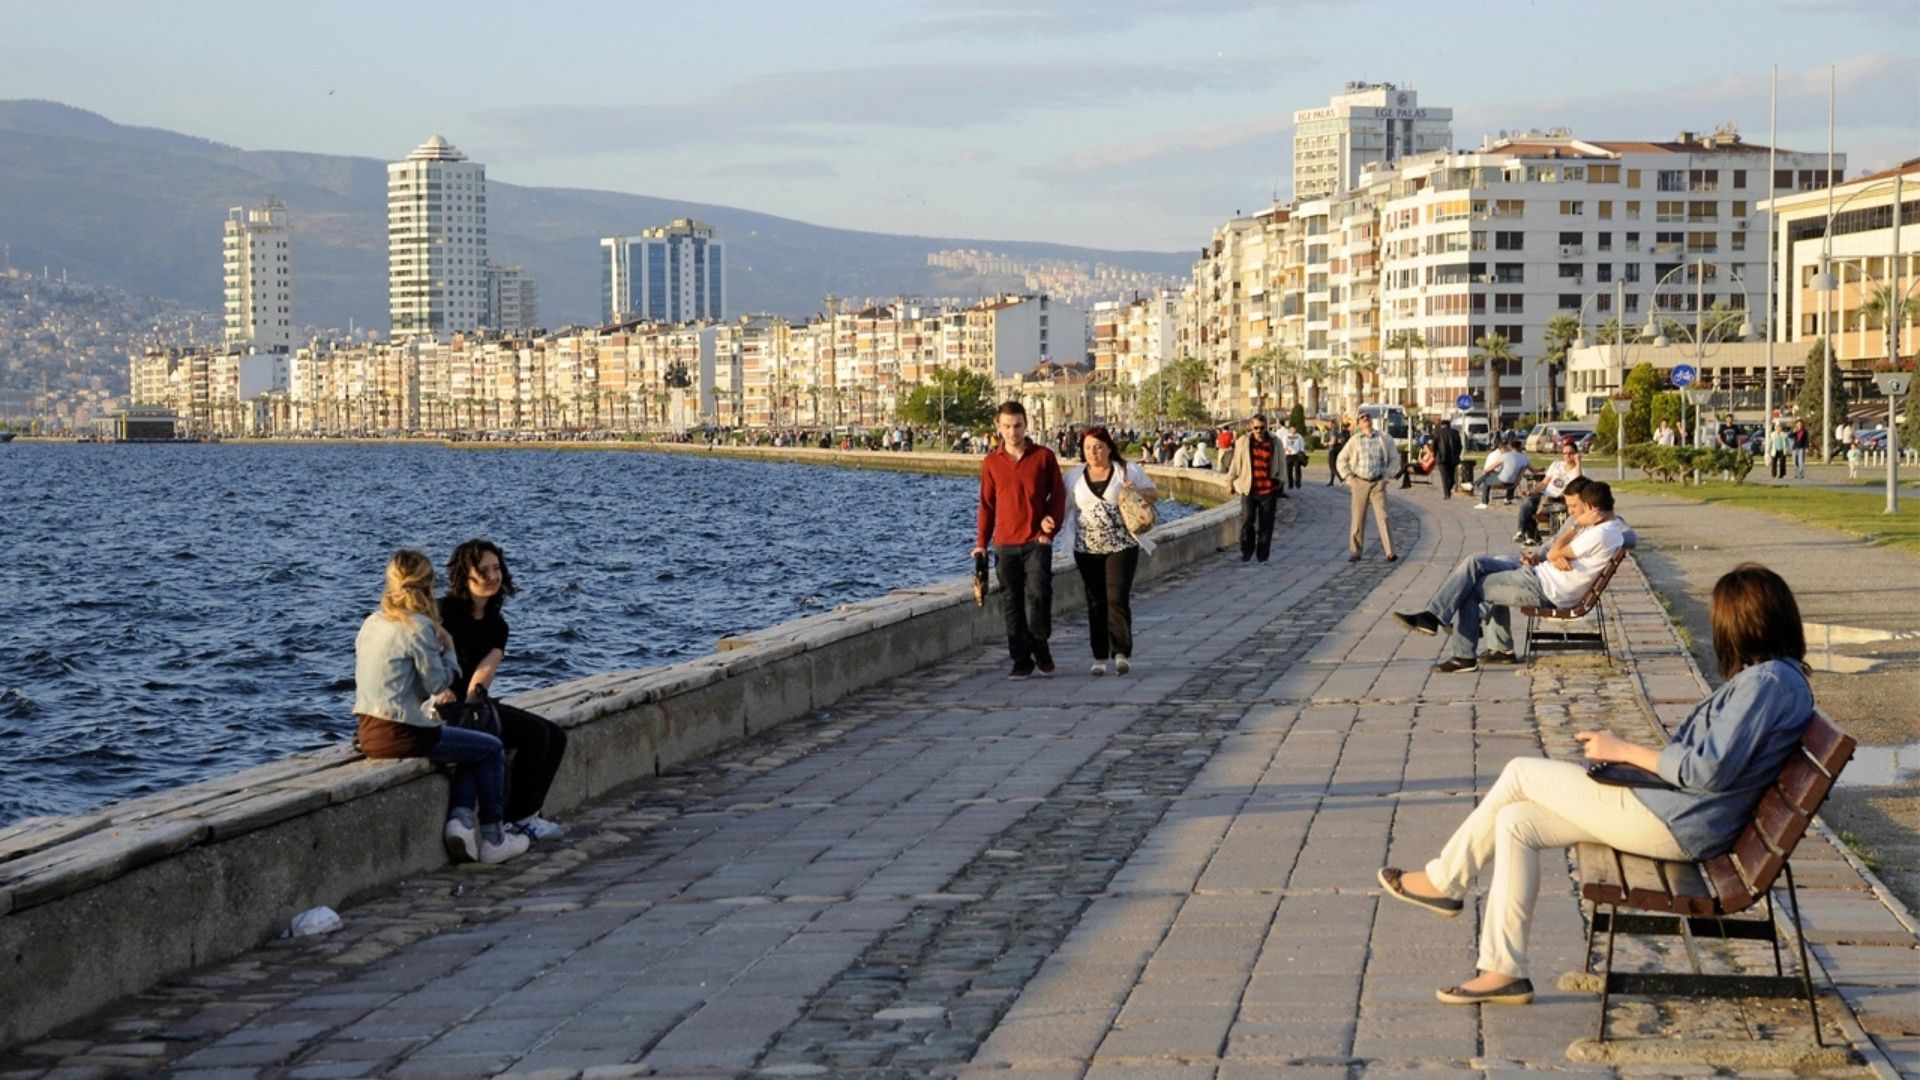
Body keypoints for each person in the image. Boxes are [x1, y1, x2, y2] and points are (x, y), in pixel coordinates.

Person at [1378, 562, 1814, 1005]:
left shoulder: (1768, 684)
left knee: (1520, 772)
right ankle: (1501, 971)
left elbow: (1706, 770)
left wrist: (1622, 751)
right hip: (1678, 814)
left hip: (1676, 823)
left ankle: (1445, 881)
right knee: (1516, 820)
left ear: (1743, 625)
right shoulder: (1777, 680)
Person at [354, 550, 528, 865]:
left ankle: (459, 822)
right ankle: (493, 839)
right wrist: (447, 648)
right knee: (490, 748)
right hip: (404, 734)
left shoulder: (372, 622)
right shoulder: (419, 627)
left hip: (368, 732)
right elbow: (437, 684)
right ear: (429, 585)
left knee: (467, 742)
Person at [1393, 479, 1622, 671]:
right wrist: (1553, 553)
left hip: (1543, 587)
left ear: (1591, 508)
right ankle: (1485, 642)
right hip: (1540, 576)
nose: (1572, 512)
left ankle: (1462, 653)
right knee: (1477, 564)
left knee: (1472, 587)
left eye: (1576, 507)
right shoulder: (1603, 528)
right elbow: (1554, 551)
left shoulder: (1600, 532)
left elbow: (1556, 550)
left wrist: (1568, 536)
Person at [439, 540, 569, 843]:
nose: (492, 576)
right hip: (440, 705)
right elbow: (424, 659)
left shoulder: (497, 624)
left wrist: (474, 704)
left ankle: (527, 815)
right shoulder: (443, 612)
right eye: (483, 570)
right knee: (535, 736)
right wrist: (445, 694)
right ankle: (518, 821)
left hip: (471, 705)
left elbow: (484, 672)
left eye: (496, 569)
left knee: (553, 734)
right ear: (464, 575)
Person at [975, 401, 1067, 680]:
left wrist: (1050, 527)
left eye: (1017, 426)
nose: (1012, 432)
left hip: (1036, 541)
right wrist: (981, 542)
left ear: (1026, 425)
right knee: (1011, 602)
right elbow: (987, 505)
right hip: (1004, 544)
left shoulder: (1043, 457)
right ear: (998, 427)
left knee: (1040, 594)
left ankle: (1040, 642)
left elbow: (1059, 496)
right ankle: (1020, 659)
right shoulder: (991, 462)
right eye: (1006, 427)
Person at [1059, 426, 1156, 676]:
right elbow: (1063, 508)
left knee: (1117, 596)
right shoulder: (1073, 477)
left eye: (1098, 446)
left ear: (1109, 447)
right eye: (1088, 447)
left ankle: (1121, 653)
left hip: (1122, 545)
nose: (1093, 452)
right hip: (1086, 548)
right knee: (1095, 600)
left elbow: (1153, 493)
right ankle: (1099, 656)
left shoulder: (1127, 470)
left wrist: (1135, 490)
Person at [1336, 411, 1400, 563]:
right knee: (1358, 518)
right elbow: (1341, 460)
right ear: (1359, 423)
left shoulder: (1384, 438)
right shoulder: (1355, 440)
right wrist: (1349, 478)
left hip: (1378, 482)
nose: (1366, 420)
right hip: (1360, 482)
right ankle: (1355, 551)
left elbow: (1394, 459)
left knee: (1384, 517)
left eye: (1368, 417)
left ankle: (1390, 551)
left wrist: (1387, 476)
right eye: (1362, 418)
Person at [1227, 413, 1287, 563]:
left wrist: (1280, 481)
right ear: (1251, 427)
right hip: (1249, 489)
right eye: (1256, 428)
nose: (1259, 431)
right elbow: (1235, 464)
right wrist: (1230, 482)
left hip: (1268, 490)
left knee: (1266, 525)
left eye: (1262, 428)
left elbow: (1282, 463)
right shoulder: (1243, 442)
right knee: (1247, 521)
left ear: (1266, 427)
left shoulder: (1275, 442)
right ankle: (1246, 552)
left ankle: (1262, 555)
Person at [1514, 438, 1581, 545]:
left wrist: (1578, 463)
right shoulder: (1556, 465)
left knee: (1534, 508)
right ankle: (1521, 532)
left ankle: (1533, 537)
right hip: (1545, 495)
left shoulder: (1579, 471)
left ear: (1576, 454)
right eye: (1565, 453)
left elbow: (1577, 485)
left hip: (1560, 499)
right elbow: (1544, 483)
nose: (1567, 456)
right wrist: (1532, 491)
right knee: (1528, 502)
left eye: (1571, 453)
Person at [1472, 437, 1531, 508]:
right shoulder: (1521, 457)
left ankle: (1484, 502)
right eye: (1507, 446)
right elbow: (1531, 469)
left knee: (1487, 479)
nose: (1508, 448)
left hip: (1501, 481)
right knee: (1511, 475)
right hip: (1512, 482)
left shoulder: (1504, 455)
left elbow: (1492, 467)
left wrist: (1486, 471)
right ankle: (1509, 498)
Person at [1432, 419, 1464, 499]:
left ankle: (1447, 494)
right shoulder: (1455, 433)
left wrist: (1435, 455)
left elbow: (1434, 446)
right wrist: (1457, 454)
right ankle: (1448, 488)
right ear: (1449, 425)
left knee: (1444, 476)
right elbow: (1460, 446)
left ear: (1441, 425)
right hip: (1453, 458)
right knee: (1452, 476)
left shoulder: (1437, 433)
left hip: (1441, 458)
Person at [1282, 423, 1308, 489]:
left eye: (1294, 429)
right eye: (1292, 429)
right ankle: (1290, 484)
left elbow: (1302, 445)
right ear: (1290, 429)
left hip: (1296, 455)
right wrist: (1287, 449)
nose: (1293, 430)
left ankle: (1298, 483)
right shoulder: (1286, 436)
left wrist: (1301, 452)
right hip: (1289, 456)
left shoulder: (1299, 436)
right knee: (1289, 471)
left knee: (1297, 470)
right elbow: (1284, 445)